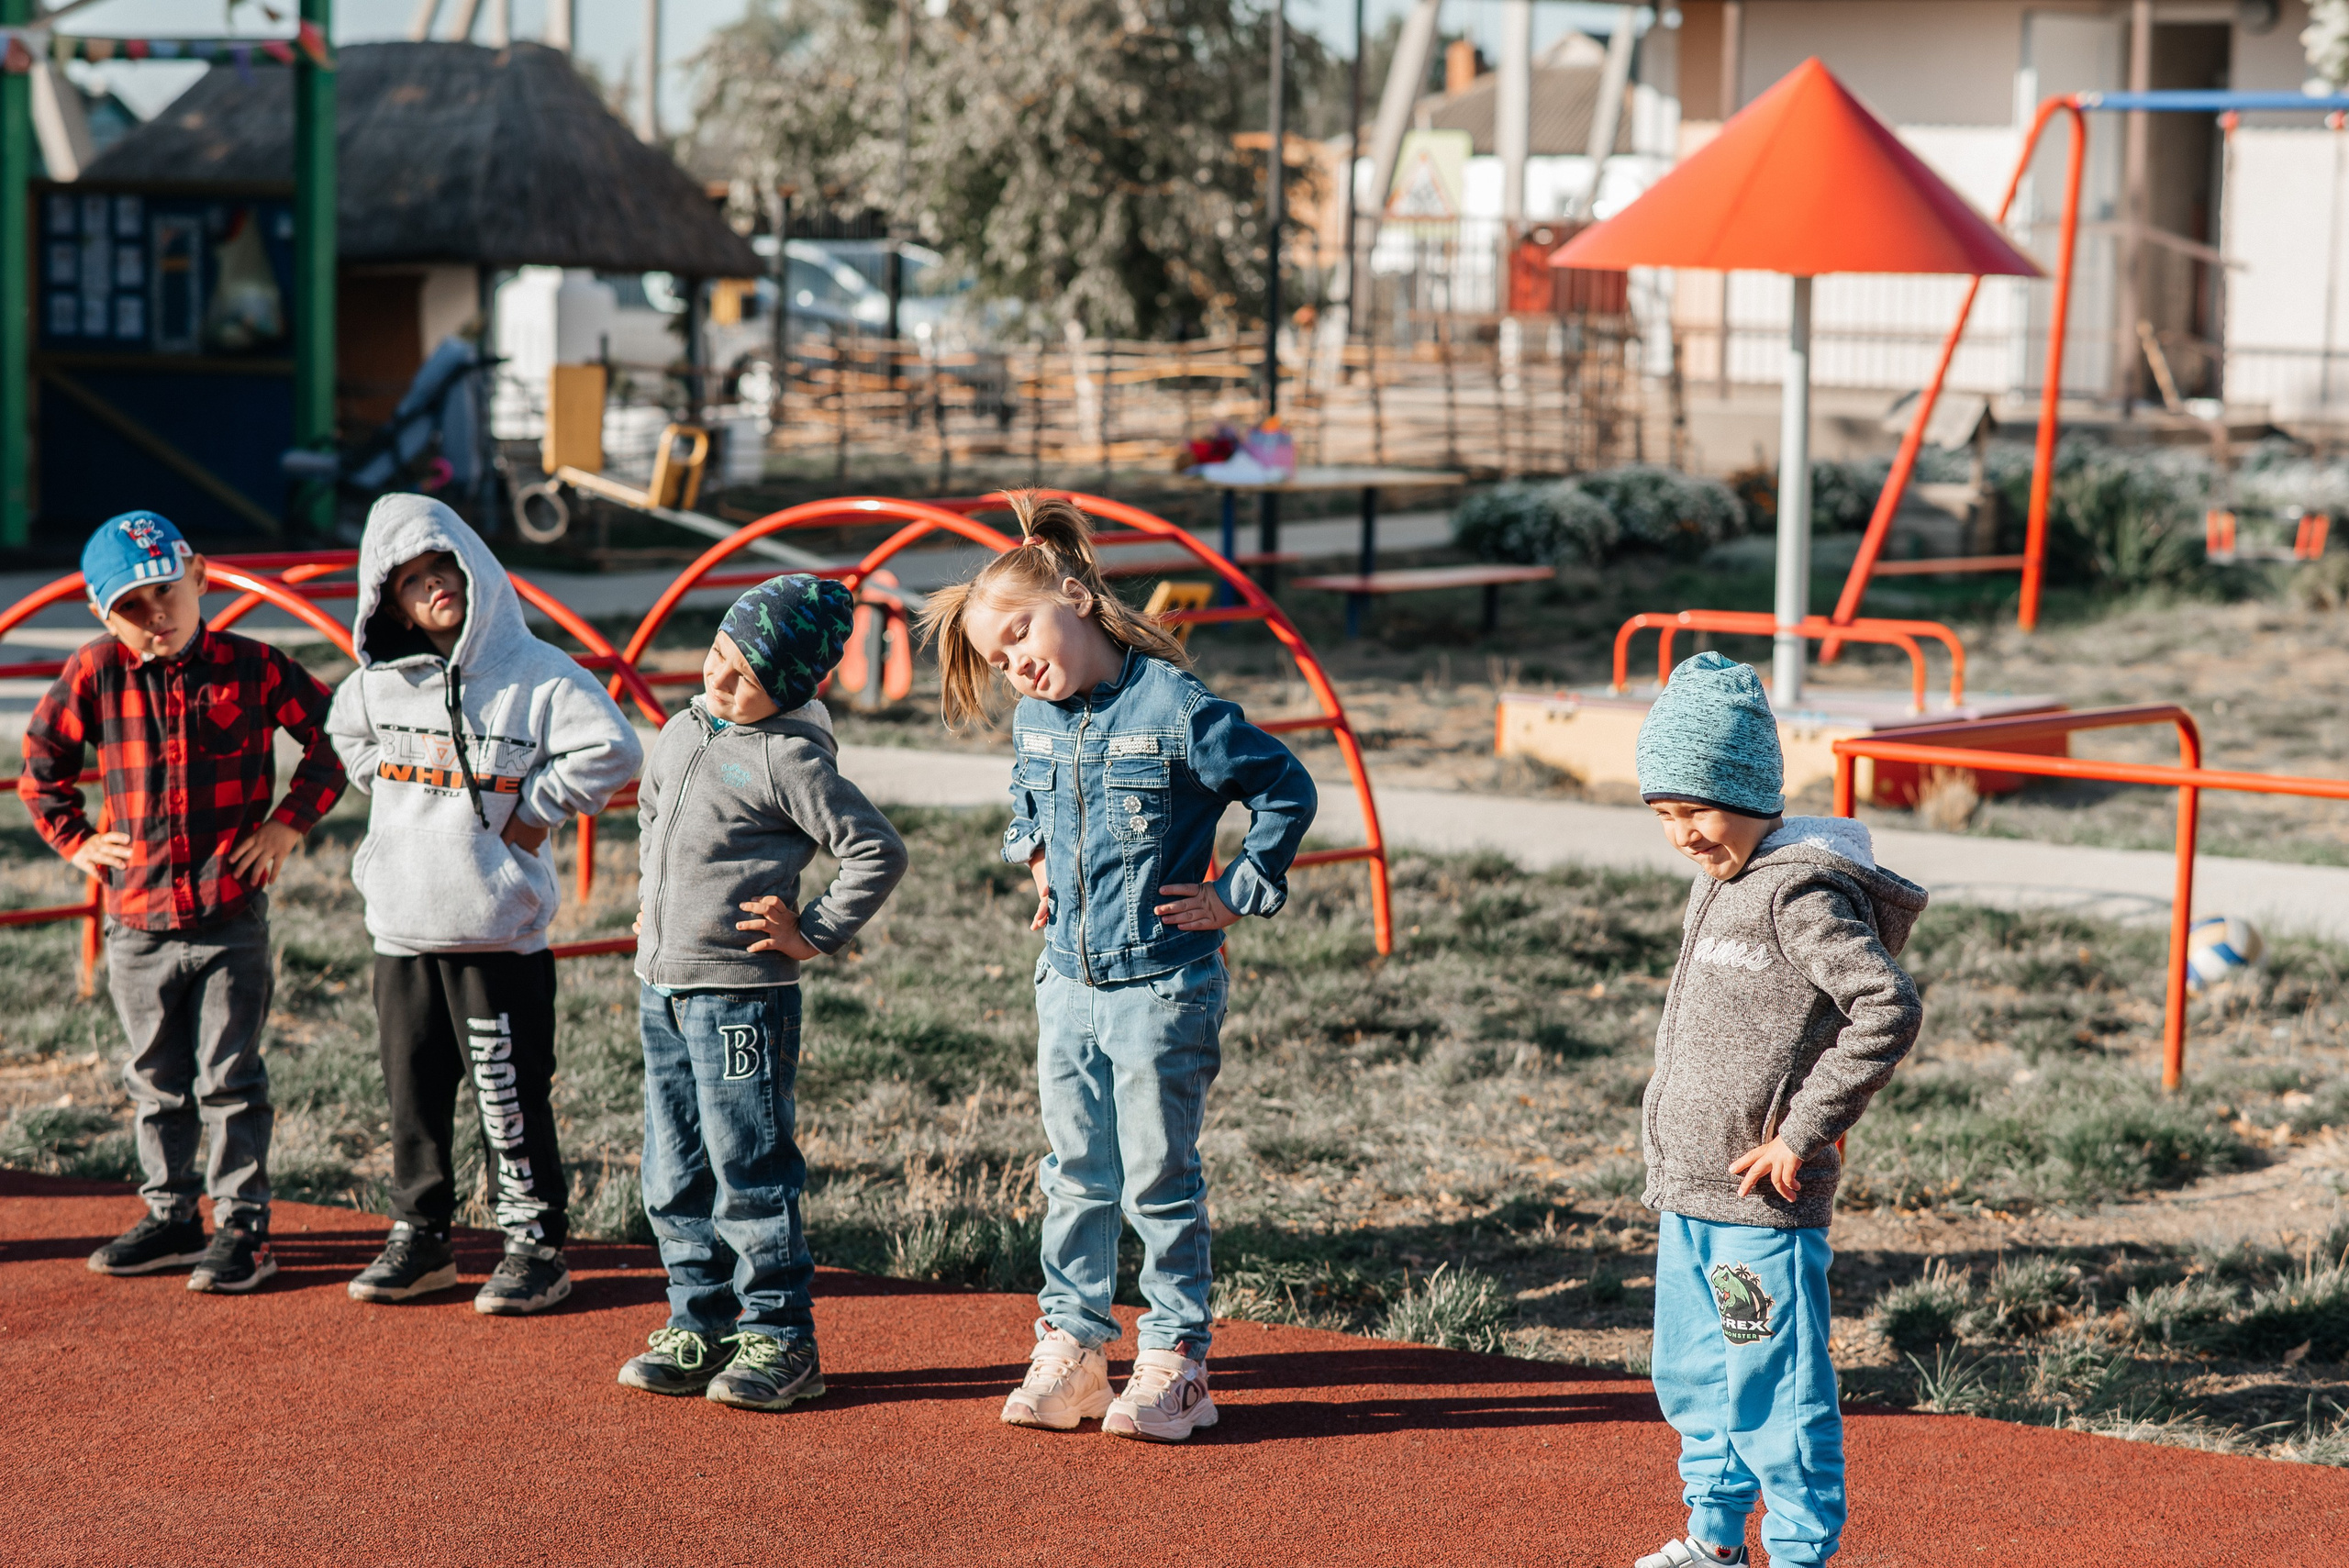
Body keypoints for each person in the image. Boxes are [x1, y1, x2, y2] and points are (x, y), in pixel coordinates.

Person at [918, 492, 1317, 1443]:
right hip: (1064, 981)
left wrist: (1235, 892)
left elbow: (1284, 788)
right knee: (1074, 1174)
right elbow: (1028, 794)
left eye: (1020, 633)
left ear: (1075, 595)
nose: (1016, 662)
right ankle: (1074, 1346)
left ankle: (1177, 1360)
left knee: (1156, 1177)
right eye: (998, 657)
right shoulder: (1036, 719)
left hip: (1161, 986)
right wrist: (1038, 854)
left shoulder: (1175, 707)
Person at [1630, 652, 1928, 1568]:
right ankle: (1714, 1541)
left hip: (1759, 1208)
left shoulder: (1799, 888)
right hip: (1689, 1190)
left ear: (1751, 789)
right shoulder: (1719, 874)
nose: (1682, 833)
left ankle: (1799, 1553)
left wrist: (1803, 1128)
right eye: (1665, 815)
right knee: (1691, 1376)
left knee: (1771, 1383)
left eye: (1697, 810)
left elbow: (1886, 1005)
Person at [328, 494, 642, 1316]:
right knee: (414, 1093)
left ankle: (535, 1245)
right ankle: (422, 1237)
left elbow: (613, 746)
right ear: (384, 601)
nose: (433, 588)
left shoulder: (536, 676)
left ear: (477, 574)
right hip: (400, 928)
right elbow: (345, 734)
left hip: (496, 933)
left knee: (506, 1095)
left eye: (445, 570)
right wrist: (389, 803)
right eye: (411, 582)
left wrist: (534, 812)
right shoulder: (377, 685)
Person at [22, 510, 346, 1293]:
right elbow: (41, 765)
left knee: (230, 1075)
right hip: (137, 921)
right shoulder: (94, 673)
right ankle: (171, 1214)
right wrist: (74, 840)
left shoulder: (256, 666)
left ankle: (244, 1225)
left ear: (199, 576)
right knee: (154, 1078)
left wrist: (285, 826)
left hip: (231, 912)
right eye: (130, 606)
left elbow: (336, 739)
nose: (155, 615)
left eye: (166, 591)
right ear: (104, 616)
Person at [618, 573, 907, 1411]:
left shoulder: (788, 756)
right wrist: (650, 893)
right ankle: (697, 1321)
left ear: (791, 687)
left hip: (742, 995)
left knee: (750, 1164)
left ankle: (781, 1336)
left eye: (745, 675)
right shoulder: (679, 730)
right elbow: (649, 809)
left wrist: (811, 931)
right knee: (672, 1165)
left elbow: (876, 851)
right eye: (717, 656)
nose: (720, 678)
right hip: (662, 985)